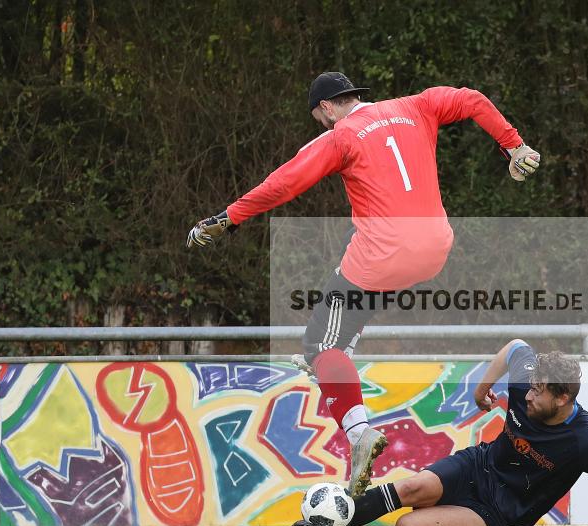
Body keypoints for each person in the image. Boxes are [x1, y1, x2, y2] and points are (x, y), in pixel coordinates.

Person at [186, 72, 541, 497]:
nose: (323, 123)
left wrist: (228, 218)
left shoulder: (340, 136)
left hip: (383, 255)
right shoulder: (416, 106)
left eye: (320, 117)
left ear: (326, 107)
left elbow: (283, 183)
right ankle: (342, 355)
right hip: (436, 247)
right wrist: (513, 144)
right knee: (350, 319)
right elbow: (471, 98)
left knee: (320, 345)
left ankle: (357, 434)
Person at [281, 339, 588, 526]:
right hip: (479, 464)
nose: (526, 396)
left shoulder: (586, 441)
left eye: (537, 393)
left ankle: (453, 518)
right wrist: (482, 389)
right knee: (413, 487)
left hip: (503, 511)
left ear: (563, 399)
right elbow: (514, 347)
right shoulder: (528, 378)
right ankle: (326, 525)